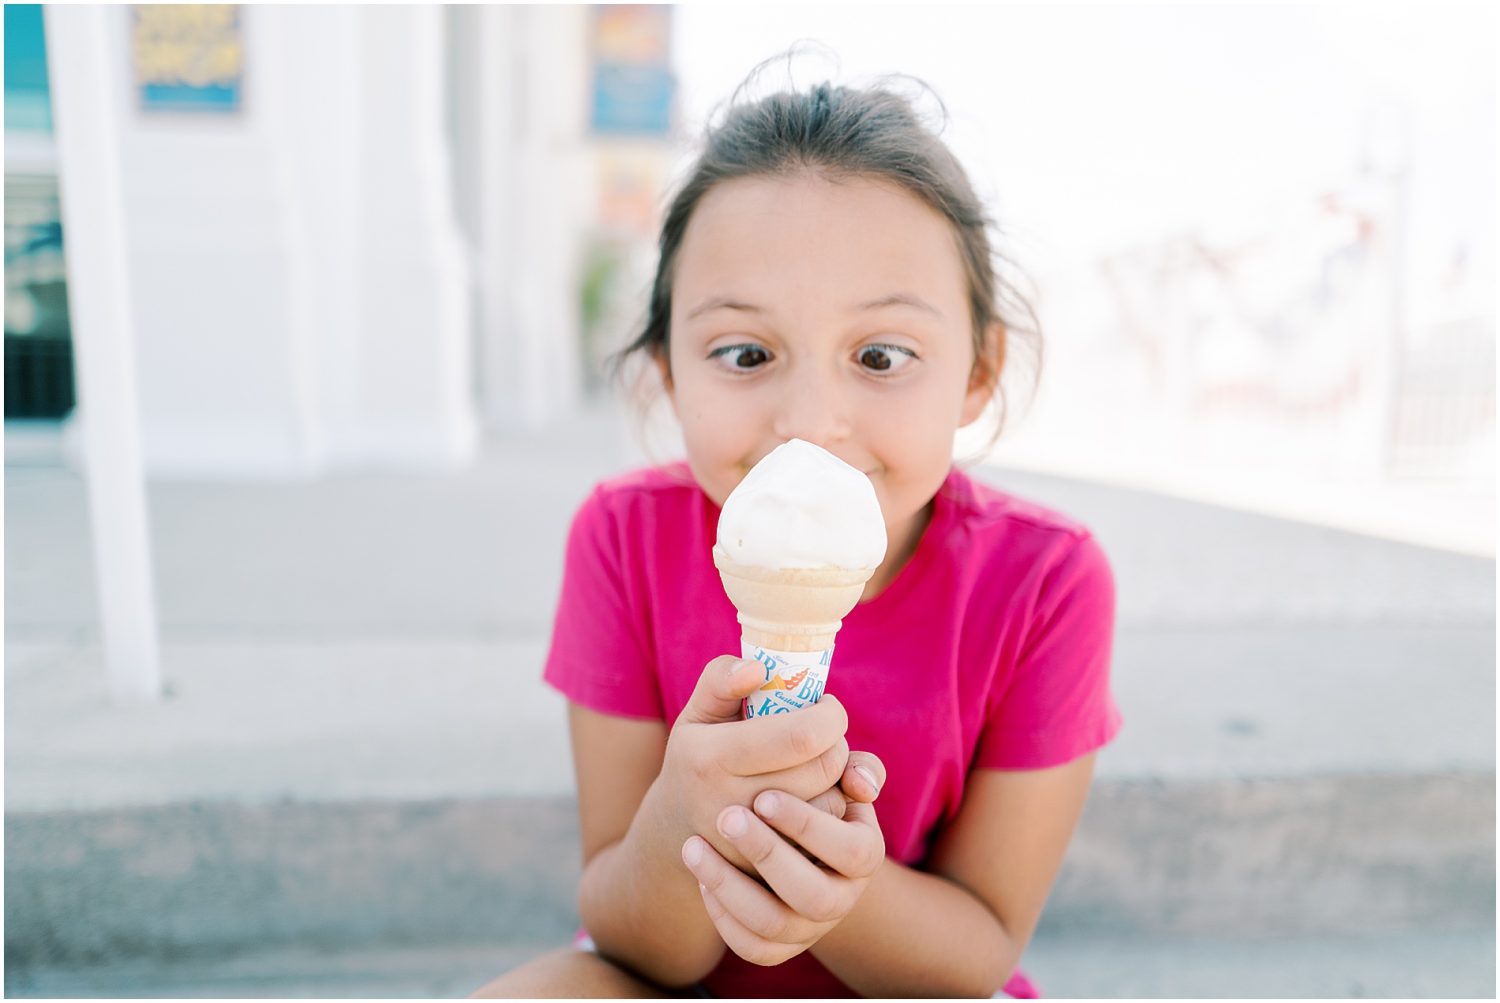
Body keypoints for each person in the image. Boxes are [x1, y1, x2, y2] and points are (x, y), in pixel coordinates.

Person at [471, 67, 1121, 999]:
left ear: (977, 373)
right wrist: (685, 821)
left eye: (880, 356)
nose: (811, 422)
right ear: (668, 372)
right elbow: (630, 939)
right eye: (745, 354)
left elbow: (978, 952)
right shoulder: (624, 538)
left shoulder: (1045, 581)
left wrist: (834, 886)